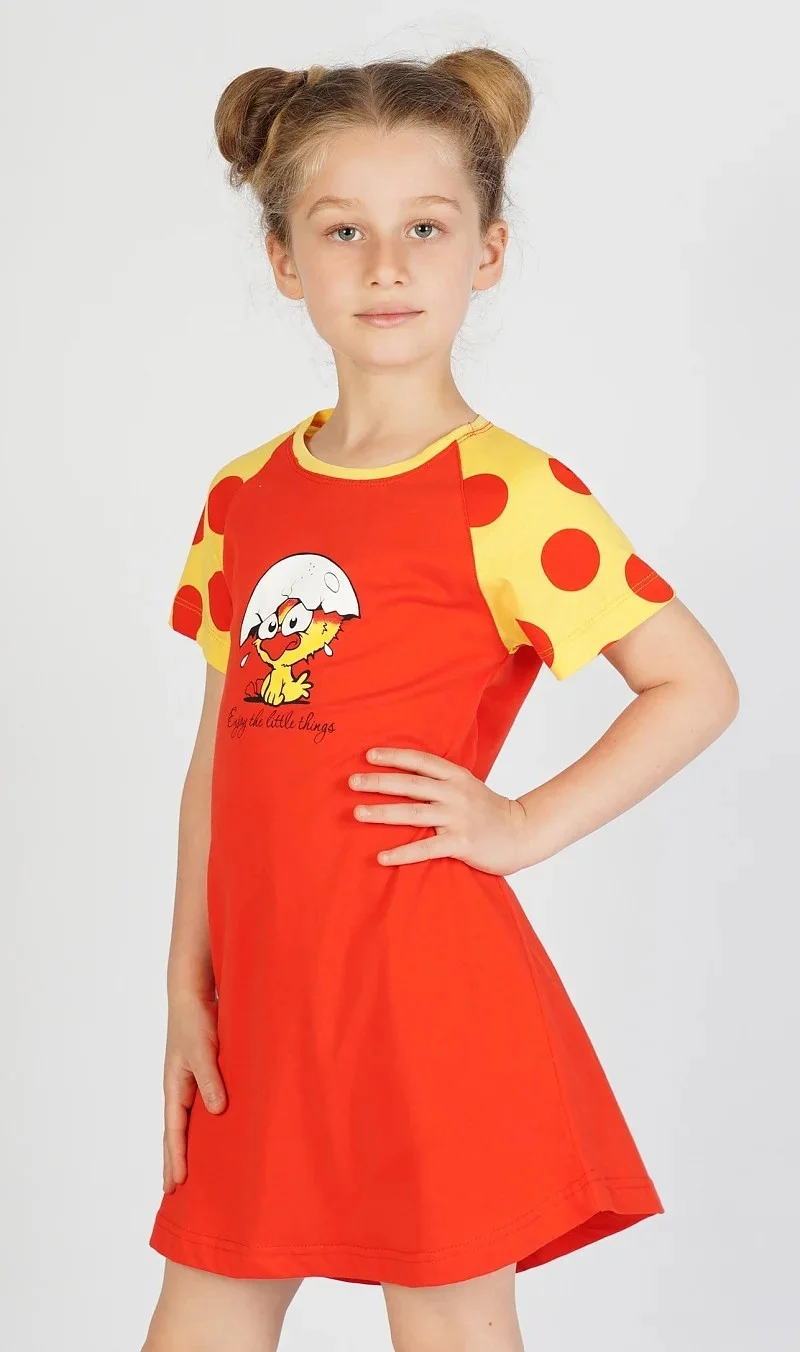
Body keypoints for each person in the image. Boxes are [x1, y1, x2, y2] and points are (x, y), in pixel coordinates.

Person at [141, 46, 739, 1352]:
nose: (386, 266)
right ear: (285, 259)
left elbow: (695, 684)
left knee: (451, 1317)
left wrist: (519, 825)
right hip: (264, 1009)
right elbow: (217, 762)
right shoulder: (244, 496)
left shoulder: (508, 493)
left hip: (423, 1000)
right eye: (341, 231)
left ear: (489, 250)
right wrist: (186, 987)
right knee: (204, 1307)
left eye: (425, 227)